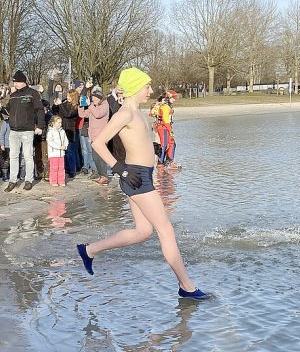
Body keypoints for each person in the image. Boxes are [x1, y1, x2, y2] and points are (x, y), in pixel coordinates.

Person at [77, 68, 209, 300]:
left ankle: (89, 250)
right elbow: (98, 143)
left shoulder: (136, 112)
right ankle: (186, 286)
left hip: (142, 175)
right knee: (166, 230)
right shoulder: (125, 113)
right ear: (137, 87)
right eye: (147, 86)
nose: (150, 90)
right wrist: (120, 170)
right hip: (135, 177)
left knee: (142, 232)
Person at [4, 71, 45, 192]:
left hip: (27, 130)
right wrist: (0, 108)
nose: (14, 84)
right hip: (14, 131)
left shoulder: (33, 94)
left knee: (27, 156)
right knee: (13, 156)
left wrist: (40, 126)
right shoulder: (13, 95)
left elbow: (40, 110)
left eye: (16, 81)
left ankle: (28, 180)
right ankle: (13, 180)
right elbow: (8, 111)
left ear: (22, 81)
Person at [46, 115, 68, 187]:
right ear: (53, 123)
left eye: (61, 122)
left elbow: (66, 140)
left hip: (61, 153)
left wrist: (65, 146)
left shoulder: (62, 131)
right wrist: (59, 147)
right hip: (53, 153)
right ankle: (54, 181)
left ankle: (61, 181)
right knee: (54, 168)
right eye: (58, 122)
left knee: (61, 168)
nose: (60, 124)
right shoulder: (50, 132)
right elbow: (50, 142)